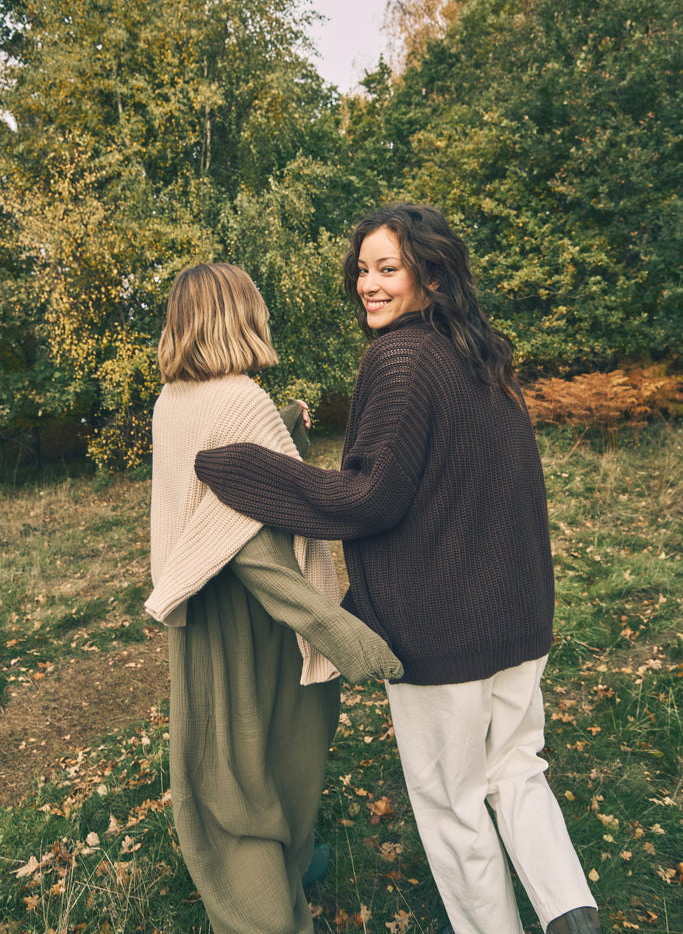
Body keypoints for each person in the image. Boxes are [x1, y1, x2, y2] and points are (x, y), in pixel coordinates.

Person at [194, 206, 602, 934]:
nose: (368, 285)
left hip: (440, 628)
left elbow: (367, 497)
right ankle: (572, 913)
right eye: (362, 269)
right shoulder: (479, 354)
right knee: (516, 771)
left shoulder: (400, 358)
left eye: (388, 269)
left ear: (432, 277)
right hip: (518, 618)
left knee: (451, 804)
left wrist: (244, 469)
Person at [145, 262, 403, 934]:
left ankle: (287, 865)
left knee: (229, 759)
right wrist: (342, 636)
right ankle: (265, 911)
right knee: (271, 761)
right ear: (239, 315)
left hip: (200, 609)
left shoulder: (173, 398)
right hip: (255, 617)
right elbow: (253, 548)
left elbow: (226, 490)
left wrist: (284, 425)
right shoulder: (239, 400)